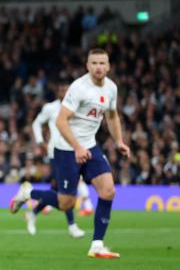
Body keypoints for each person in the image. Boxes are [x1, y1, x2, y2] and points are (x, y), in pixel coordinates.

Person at [10, 49, 130, 259]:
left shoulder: (111, 88)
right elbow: (60, 121)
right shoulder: (79, 88)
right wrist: (77, 147)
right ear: (87, 65)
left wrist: (118, 141)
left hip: (90, 146)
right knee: (66, 203)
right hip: (66, 148)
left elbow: (112, 116)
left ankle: (97, 245)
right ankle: (28, 194)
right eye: (94, 63)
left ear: (109, 66)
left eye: (102, 63)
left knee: (108, 191)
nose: (98, 67)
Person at [23, 83, 85, 238]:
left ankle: (32, 210)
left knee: (57, 189)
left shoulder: (76, 108)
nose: (64, 92)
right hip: (55, 152)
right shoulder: (50, 108)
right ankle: (72, 225)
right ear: (58, 92)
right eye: (61, 89)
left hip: (72, 152)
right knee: (65, 190)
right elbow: (36, 123)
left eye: (66, 89)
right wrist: (39, 142)